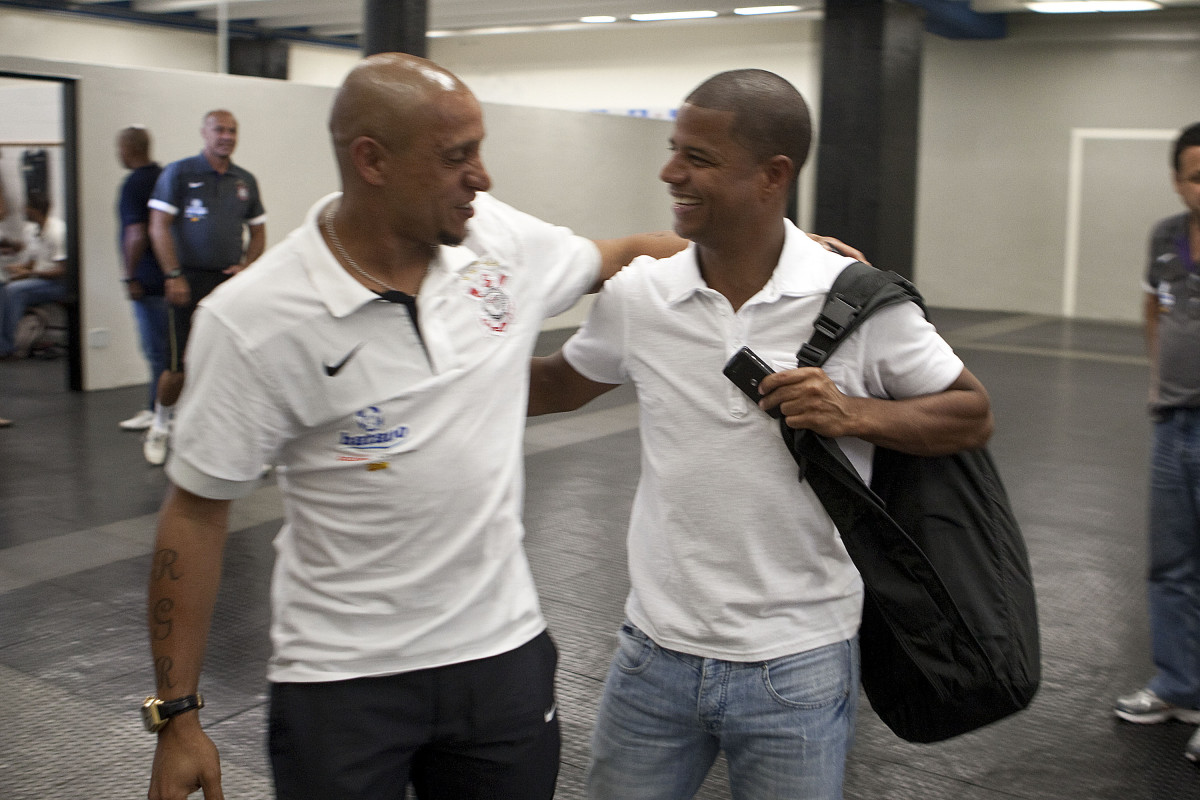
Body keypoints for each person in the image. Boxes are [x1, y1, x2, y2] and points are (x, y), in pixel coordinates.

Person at [143, 53, 697, 800]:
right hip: (341, 683)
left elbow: (624, 255)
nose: (483, 176)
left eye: (480, 149)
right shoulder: (255, 319)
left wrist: (788, 254)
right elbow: (196, 514)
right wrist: (177, 717)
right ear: (372, 160)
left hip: (501, 659)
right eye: (456, 156)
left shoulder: (496, 243)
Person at [528, 69, 993, 800]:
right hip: (652, 655)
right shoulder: (644, 295)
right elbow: (556, 384)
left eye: (698, 158)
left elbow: (970, 412)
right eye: (673, 149)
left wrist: (854, 413)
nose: (669, 171)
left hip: (798, 666)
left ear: (772, 174)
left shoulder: (855, 300)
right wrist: (440, 371)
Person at [1114, 121, 1200, 764]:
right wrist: (1158, 377)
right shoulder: (1165, 237)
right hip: (1172, 422)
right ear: (1177, 181)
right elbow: (1156, 309)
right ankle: (1178, 686)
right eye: (1196, 174)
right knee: (1171, 564)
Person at [144, 109, 266, 465]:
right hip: (187, 280)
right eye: (219, 130)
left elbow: (257, 230)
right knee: (178, 364)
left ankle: (226, 434)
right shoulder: (179, 172)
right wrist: (173, 274)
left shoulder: (245, 181)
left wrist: (247, 267)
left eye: (231, 131)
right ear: (204, 133)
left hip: (227, 284)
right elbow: (157, 226)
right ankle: (161, 425)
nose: (225, 136)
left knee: (231, 361)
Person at [115, 126, 169, 432]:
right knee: (166, 350)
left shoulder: (134, 184)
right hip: (166, 278)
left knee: (157, 351)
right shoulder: (163, 177)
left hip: (148, 280)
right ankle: (160, 408)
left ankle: (158, 411)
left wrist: (129, 276)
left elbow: (136, 233)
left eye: (120, 148)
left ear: (129, 148)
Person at [0, 192, 67, 359]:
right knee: (4, 287)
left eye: (26, 207)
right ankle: (6, 342)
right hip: (39, 280)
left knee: (14, 291)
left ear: (34, 210)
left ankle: (7, 348)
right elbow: (31, 263)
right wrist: (18, 269)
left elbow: (62, 270)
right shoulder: (33, 230)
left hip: (57, 284)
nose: (23, 210)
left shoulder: (57, 231)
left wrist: (30, 273)